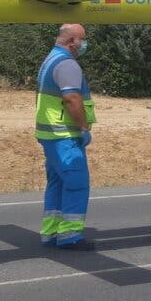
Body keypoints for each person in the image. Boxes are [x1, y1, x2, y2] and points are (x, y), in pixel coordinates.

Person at [35, 24, 96, 251]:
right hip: (65, 135)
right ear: (73, 40)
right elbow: (71, 98)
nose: (85, 44)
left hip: (50, 134)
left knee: (57, 183)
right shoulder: (67, 64)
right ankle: (70, 235)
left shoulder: (51, 59)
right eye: (83, 39)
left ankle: (50, 232)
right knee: (77, 183)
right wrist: (83, 128)